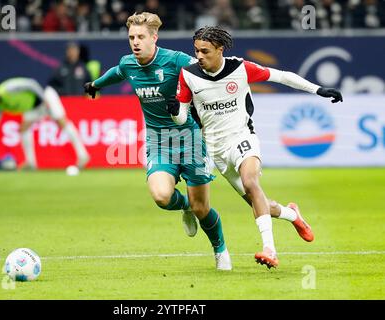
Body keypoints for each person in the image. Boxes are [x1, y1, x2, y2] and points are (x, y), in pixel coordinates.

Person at [170, 26, 343, 268]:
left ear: (220, 49)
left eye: (205, 51)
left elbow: (282, 76)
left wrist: (318, 89)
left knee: (252, 182)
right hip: (216, 150)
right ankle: (293, 214)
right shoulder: (188, 75)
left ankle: (270, 250)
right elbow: (180, 116)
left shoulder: (240, 68)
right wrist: (175, 111)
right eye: (196, 50)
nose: (199, 56)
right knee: (258, 202)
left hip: (242, 137)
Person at [84, 12, 232, 270]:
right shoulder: (129, 64)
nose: (135, 42)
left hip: (191, 140)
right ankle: (183, 205)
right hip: (159, 141)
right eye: (131, 37)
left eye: (141, 37)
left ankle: (220, 249)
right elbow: (117, 73)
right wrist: (95, 84)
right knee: (162, 196)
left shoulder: (176, 61)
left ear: (154, 37)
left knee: (202, 208)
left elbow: (206, 72)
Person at [0, 77, 89, 170]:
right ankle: (31, 163)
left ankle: (83, 155)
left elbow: (30, 84)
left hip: (45, 95)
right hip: (33, 107)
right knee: (23, 129)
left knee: (62, 122)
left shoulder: (7, 88)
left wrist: (43, 98)